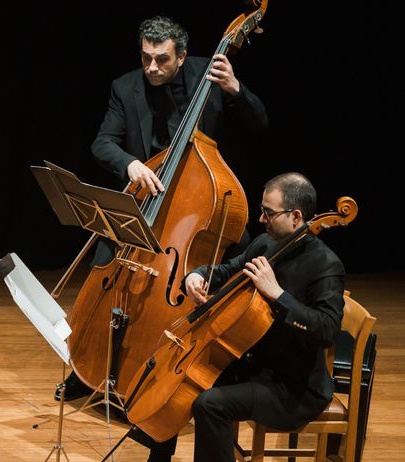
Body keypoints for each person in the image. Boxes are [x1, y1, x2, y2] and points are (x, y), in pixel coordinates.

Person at [58, 15, 269, 402]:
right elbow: (103, 142)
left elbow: (260, 124)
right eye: (146, 58)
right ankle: (85, 367)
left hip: (198, 207)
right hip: (145, 203)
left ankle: (209, 372)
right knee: (105, 260)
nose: (152, 67)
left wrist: (236, 89)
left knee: (241, 259)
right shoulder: (125, 87)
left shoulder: (212, 72)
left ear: (182, 56)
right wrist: (130, 164)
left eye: (162, 60)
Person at [143, 172, 345, 461]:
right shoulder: (265, 244)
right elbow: (227, 270)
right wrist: (196, 276)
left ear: (296, 216)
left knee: (210, 404)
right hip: (252, 364)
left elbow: (326, 330)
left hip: (292, 387)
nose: (261, 218)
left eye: (268, 212)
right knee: (176, 380)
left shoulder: (326, 265)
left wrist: (277, 294)